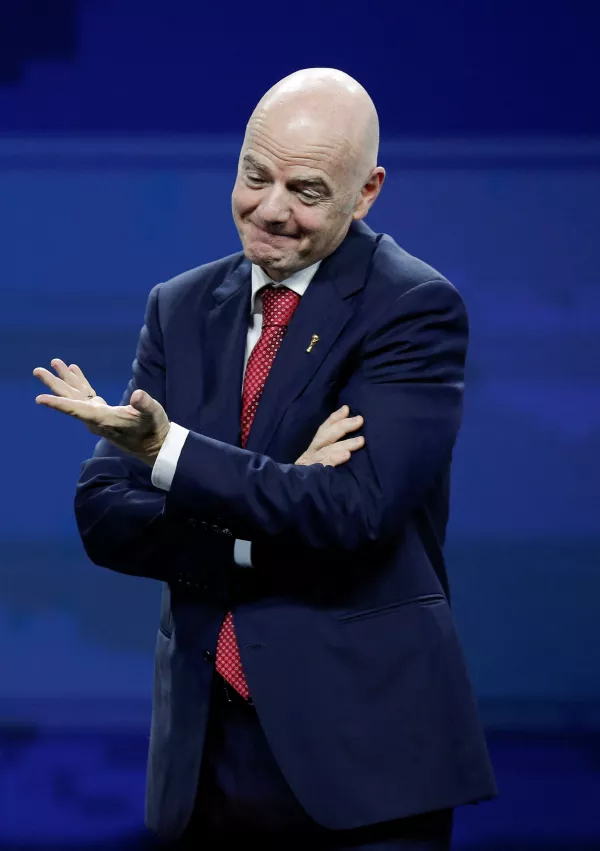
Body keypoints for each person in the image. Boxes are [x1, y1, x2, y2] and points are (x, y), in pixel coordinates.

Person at [33, 68, 497, 849]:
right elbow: (105, 513)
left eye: (307, 190)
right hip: (204, 758)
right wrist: (271, 509)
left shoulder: (413, 308)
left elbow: (354, 511)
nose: (271, 209)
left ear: (367, 191)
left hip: (363, 758)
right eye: (255, 176)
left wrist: (170, 452)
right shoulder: (179, 306)